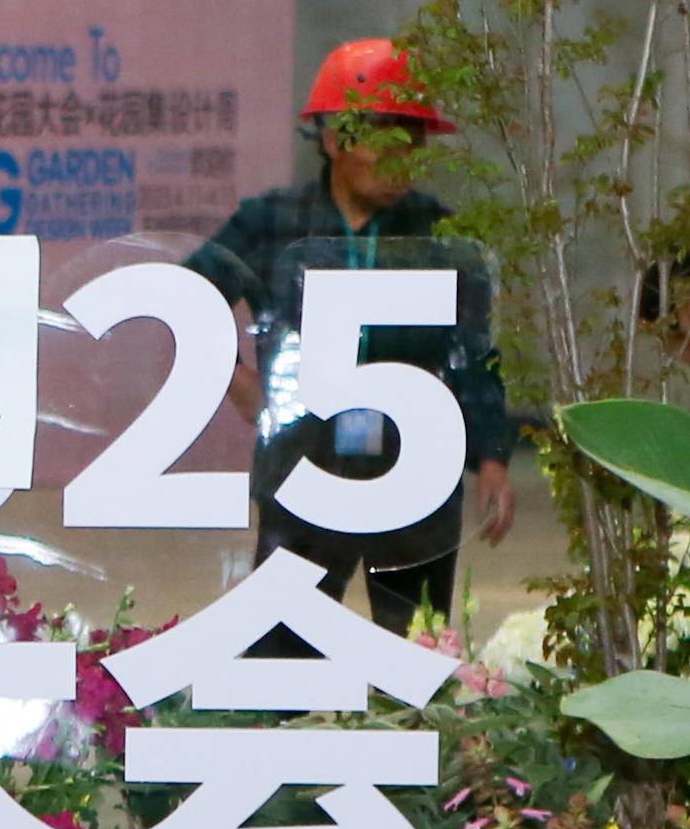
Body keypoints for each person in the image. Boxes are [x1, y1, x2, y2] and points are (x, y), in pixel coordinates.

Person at [185, 35, 517, 634]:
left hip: (414, 472)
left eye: (413, 145)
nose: (401, 163)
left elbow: (474, 356)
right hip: (304, 469)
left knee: (413, 652)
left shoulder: (442, 235)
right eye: (384, 145)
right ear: (335, 139)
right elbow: (190, 298)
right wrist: (236, 380)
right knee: (283, 648)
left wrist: (492, 458)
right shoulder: (271, 222)